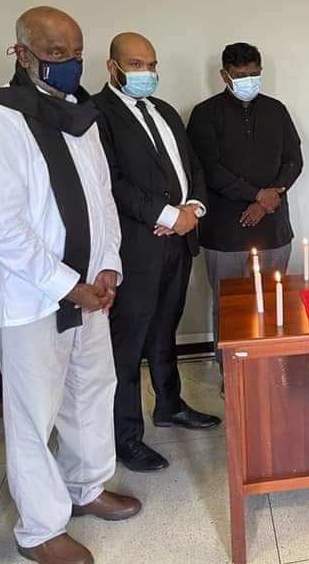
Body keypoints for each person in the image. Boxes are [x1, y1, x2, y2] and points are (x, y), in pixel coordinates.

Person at [0, 7, 140, 564]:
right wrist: (66, 285)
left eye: (76, 52)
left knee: (91, 391)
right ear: (22, 53)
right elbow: (0, 225)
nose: (69, 63)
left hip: (90, 293)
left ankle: (87, 487)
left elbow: (102, 201)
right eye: (56, 53)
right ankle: (39, 529)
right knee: (32, 415)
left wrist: (107, 267)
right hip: (32, 299)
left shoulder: (80, 117)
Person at [93, 32, 221, 474]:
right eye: (136, 64)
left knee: (166, 329)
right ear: (112, 67)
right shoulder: (97, 114)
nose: (146, 72)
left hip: (178, 243)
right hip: (137, 247)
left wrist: (193, 209)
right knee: (127, 345)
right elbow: (110, 181)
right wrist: (168, 215)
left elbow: (193, 167)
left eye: (151, 64)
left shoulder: (164, 110)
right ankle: (126, 437)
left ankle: (170, 405)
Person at [187, 42, 303, 325]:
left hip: (273, 228)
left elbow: (293, 160)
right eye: (240, 75)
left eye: (254, 74)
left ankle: (274, 356)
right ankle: (229, 358)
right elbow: (208, 169)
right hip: (224, 232)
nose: (248, 81)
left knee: (274, 305)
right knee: (229, 310)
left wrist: (266, 200)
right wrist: (257, 195)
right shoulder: (205, 113)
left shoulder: (276, 110)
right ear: (224, 75)